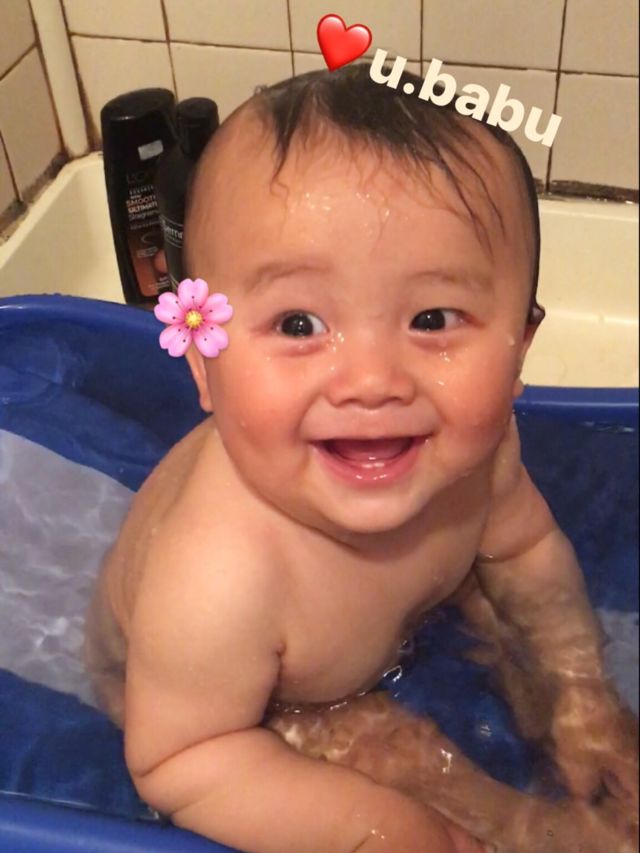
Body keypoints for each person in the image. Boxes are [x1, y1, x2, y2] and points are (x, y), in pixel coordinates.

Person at [85, 65, 638, 853]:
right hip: (231, 706)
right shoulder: (220, 576)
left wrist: (581, 697)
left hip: (386, 628)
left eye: (433, 317)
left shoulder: (478, 454)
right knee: (391, 750)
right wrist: (373, 827)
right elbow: (178, 759)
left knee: (505, 614)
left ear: (519, 348)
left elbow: (523, 551)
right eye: (299, 324)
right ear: (203, 364)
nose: (372, 381)